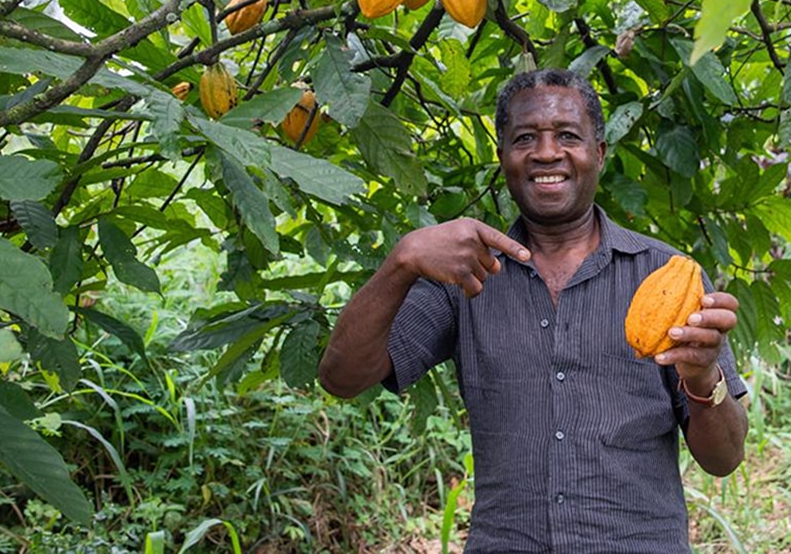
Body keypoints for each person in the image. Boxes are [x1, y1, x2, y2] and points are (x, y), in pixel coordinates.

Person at [318, 68, 748, 553]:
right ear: (503, 157)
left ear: (599, 153)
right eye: (526, 138)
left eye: (567, 135)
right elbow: (342, 377)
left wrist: (701, 377)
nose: (547, 152)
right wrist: (402, 261)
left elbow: (724, 458)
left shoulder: (666, 274)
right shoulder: (464, 274)